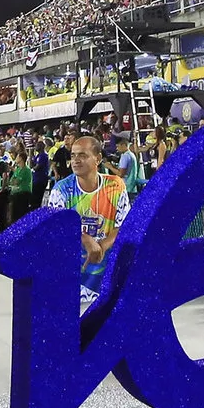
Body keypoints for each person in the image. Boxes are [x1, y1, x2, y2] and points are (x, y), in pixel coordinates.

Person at [46, 134, 130, 312]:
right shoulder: (61, 190)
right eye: (73, 155)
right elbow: (57, 229)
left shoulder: (115, 186)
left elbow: (123, 226)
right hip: (72, 278)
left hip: (107, 279)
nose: (76, 160)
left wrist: (102, 246)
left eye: (82, 155)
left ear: (98, 159)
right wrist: (85, 239)